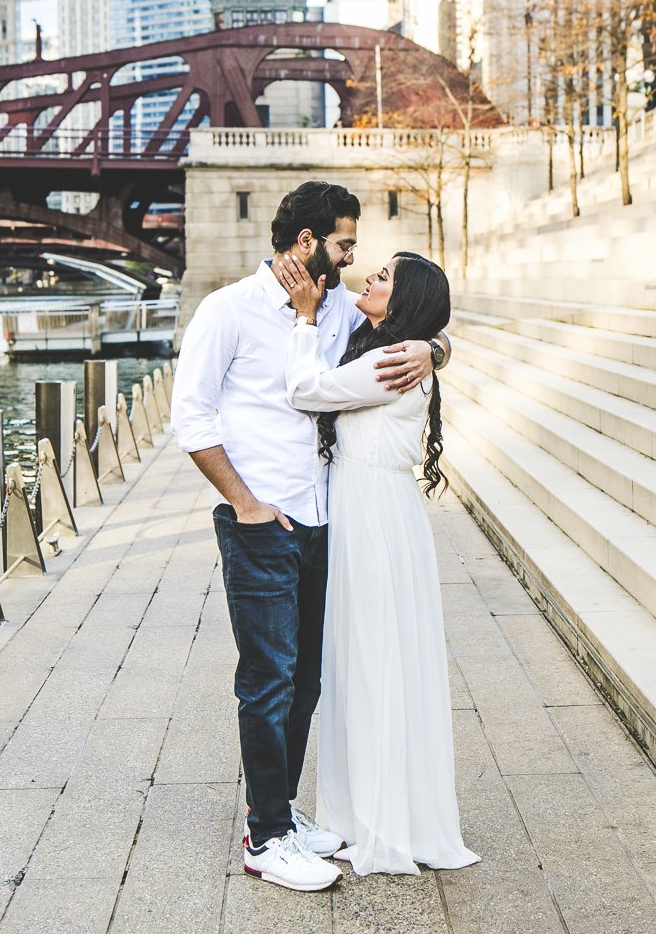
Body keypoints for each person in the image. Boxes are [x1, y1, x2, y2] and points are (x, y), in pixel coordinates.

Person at [171, 181, 450, 893]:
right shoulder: (226, 311)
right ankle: (265, 838)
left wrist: (434, 344)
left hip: (326, 522)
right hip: (263, 523)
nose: (353, 260)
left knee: (305, 683)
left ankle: (281, 812)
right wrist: (246, 504)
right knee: (267, 682)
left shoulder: (329, 313)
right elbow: (192, 421)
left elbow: (397, 335)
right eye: (344, 245)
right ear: (306, 244)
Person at [280, 250, 480, 876]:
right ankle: (372, 810)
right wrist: (438, 345)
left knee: (371, 658)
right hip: (379, 509)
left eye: (386, 276)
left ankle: (375, 819)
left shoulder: (389, 359)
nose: (370, 275)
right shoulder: (403, 350)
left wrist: (305, 319)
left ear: (406, 302)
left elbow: (304, 390)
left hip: (371, 515)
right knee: (373, 658)